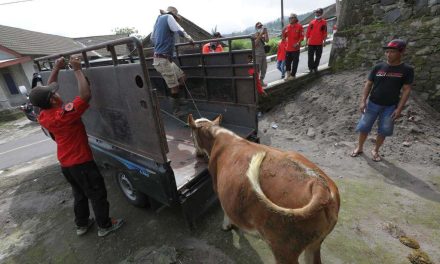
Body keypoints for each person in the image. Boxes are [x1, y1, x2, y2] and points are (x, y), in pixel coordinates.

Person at [29, 56, 124, 237]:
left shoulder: (44, 114)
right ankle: (105, 226)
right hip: (81, 163)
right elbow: (86, 96)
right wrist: (77, 69)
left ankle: (82, 224)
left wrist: (56, 68)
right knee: (97, 194)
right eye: (54, 93)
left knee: (80, 194)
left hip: (66, 164)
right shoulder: (63, 115)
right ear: (53, 100)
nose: (57, 92)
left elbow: (48, 90)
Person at [351, 39, 414, 162]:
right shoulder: (378, 67)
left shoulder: (407, 69)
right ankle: (359, 147)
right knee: (364, 127)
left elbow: (407, 90)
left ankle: (375, 150)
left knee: (384, 130)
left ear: (401, 52)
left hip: (390, 106)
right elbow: (368, 84)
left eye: (392, 52)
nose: (388, 54)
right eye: (387, 52)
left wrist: (399, 108)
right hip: (373, 104)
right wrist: (363, 101)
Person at [151, 6, 194, 117]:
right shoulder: (168, 17)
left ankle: (178, 99)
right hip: (162, 59)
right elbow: (179, 30)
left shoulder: (158, 21)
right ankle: (176, 111)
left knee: (183, 77)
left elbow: (152, 38)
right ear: (174, 15)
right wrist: (189, 39)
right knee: (173, 87)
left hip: (165, 59)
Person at [283, 13, 304, 80]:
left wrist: (298, 43)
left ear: (295, 18)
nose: (290, 19)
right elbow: (284, 37)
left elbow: (302, 37)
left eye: (292, 18)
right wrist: (283, 32)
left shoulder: (299, 26)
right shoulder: (287, 27)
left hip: (295, 49)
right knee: (287, 63)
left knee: (295, 62)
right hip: (288, 48)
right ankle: (288, 75)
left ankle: (293, 75)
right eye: (289, 18)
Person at [306, 8, 327, 73]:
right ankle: (310, 68)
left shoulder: (324, 22)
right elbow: (308, 32)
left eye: (318, 12)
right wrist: (307, 41)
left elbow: (325, 32)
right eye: (316, 12)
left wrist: (324, 41)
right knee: (310, 57)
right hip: (311, 43)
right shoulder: (311, 22)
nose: (317, 13)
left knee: (318, 56)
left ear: (321, 13)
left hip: (319, 43)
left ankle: (315, 67)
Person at [254, 22, 269, 87]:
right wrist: (260, 34)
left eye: (261, 26)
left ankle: (261, 81)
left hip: (263, 54)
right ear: (256, 28)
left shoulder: (263, 34)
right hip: (257, 55)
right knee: (257, 69)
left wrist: (266, 33)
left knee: (264, 68)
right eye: (259, 26)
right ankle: (256, 83)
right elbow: (254, 44)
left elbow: (267, 40)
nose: (260, 28)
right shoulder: (254, 35)